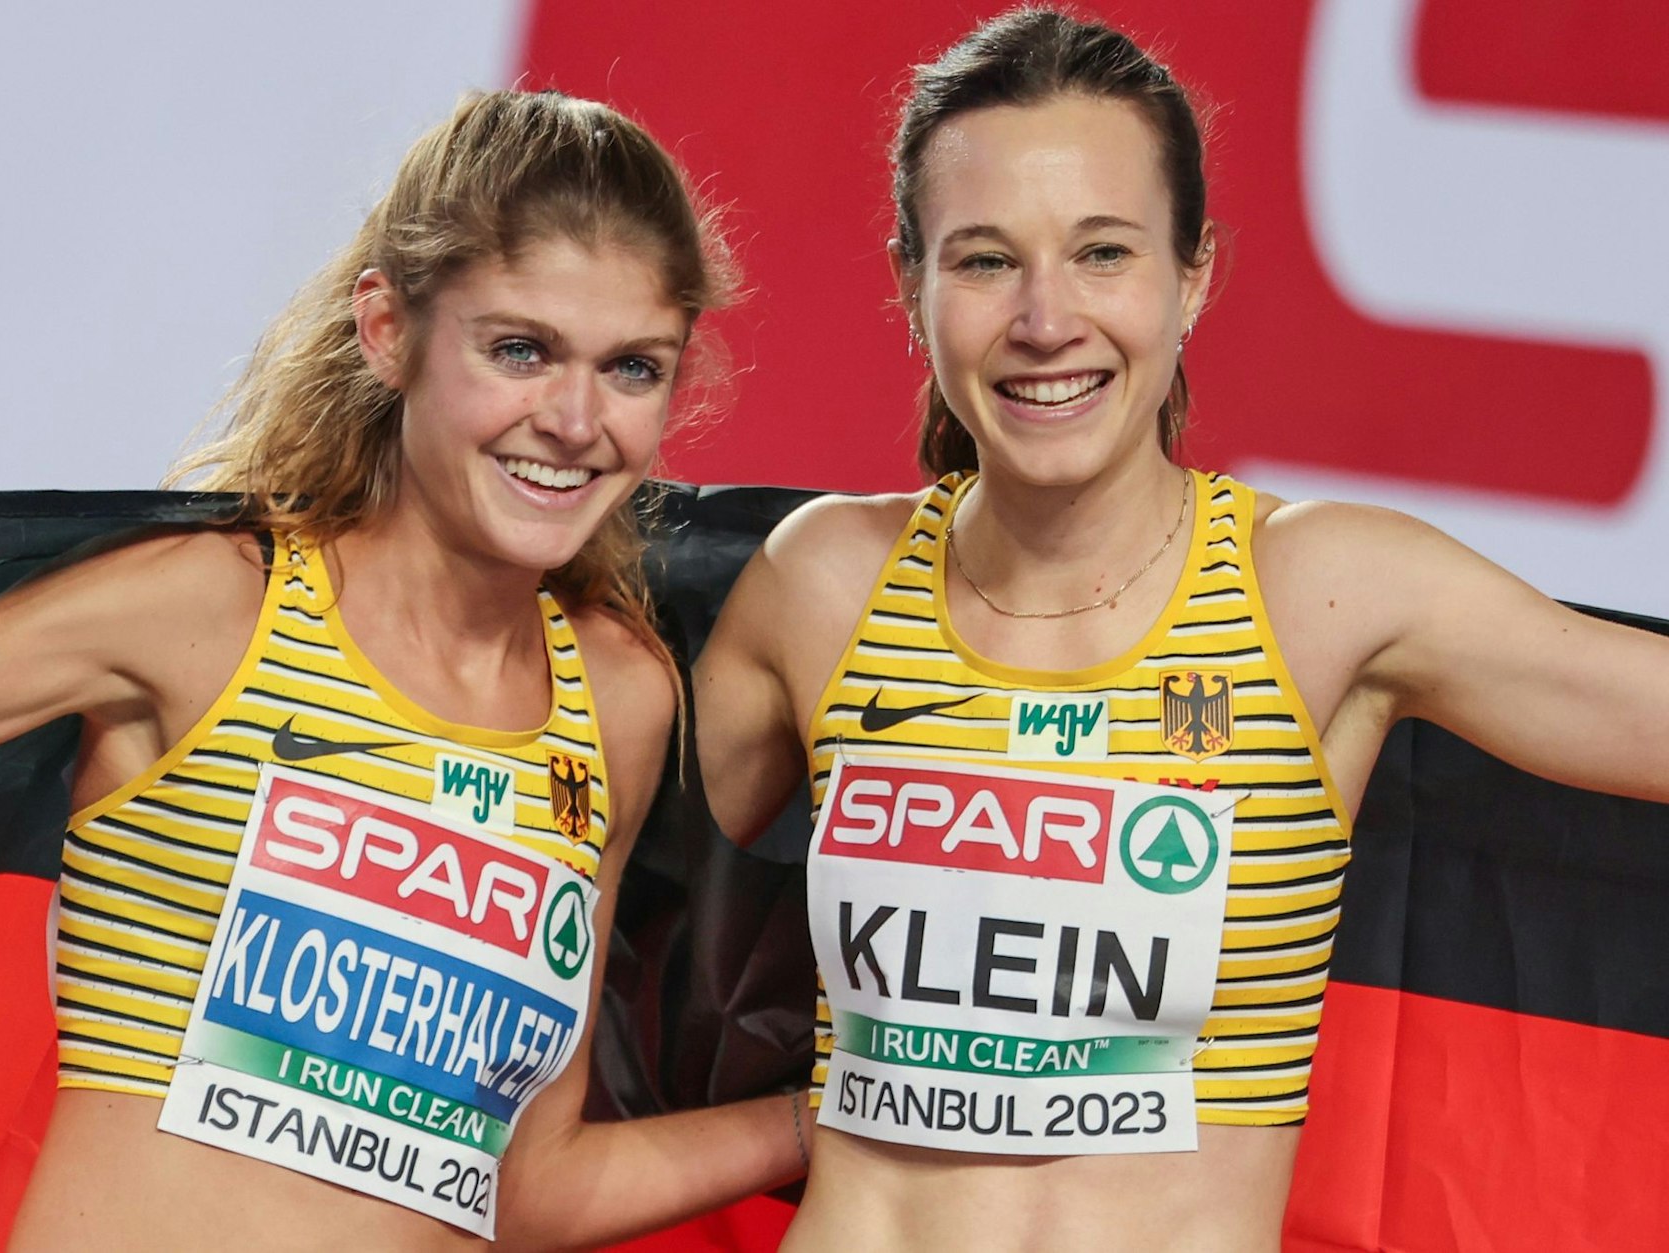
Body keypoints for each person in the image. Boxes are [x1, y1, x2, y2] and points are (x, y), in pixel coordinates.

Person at [693, 8, 1669, 1251]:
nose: (1046, 319)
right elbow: (594, 866)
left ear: (1192, 270)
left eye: (1102, 253)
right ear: (908, 283)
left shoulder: (1320, 593)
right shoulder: (820, 582)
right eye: (986, 260)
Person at [0, 89, 806, 1251]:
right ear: (387, 328)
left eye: (632, 367)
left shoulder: (618, 699)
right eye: (518, 349)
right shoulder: (208, 606)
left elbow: (527, 1188)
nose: (575, 420)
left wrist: (838, 1113)